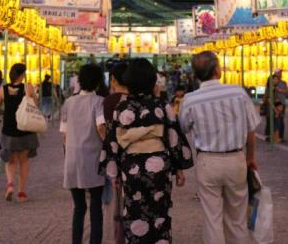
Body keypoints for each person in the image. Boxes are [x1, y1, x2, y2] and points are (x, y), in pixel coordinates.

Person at [100, 58, 193, 243]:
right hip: (159, 166)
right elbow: (173, 137)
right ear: (152, 82)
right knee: (159, 213)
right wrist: (179, 168)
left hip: (131, 167)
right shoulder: (161, 106)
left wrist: (114, 173)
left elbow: (113, 142)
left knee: (134, 211)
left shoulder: (121, 108)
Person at [179, 51, 260, 244]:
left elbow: (183, 127)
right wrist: (250, 157)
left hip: (207, 161)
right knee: (237, 216)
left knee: (212, 218)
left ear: (196, 75)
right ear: (217, 69)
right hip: (235, 159)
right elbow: (251, 129)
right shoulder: (238, 92)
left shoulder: (190, 99)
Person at [60, 64, 106, 244]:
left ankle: (76, 241)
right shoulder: (98, 101)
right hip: (93, 158)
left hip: (72, 158)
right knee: (96, 205)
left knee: (78, 207)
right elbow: (101, 127)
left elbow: (64, 134)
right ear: (98, 82)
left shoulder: (68, 102)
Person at [0, 63, 39, 203]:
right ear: (22, 75)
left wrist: (5, 113)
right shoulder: (28, 88)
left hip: (9, 128)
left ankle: (10, 185)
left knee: (10, 160)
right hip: (24, 128)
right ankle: (22, 192)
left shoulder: (3, 89)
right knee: (23, 160)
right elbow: (35, 106)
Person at [102, 62, 129, 244]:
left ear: (113, 79)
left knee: (114, 205)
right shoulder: (136, 99)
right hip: (135, 157)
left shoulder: (109, 101)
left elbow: (107, 129)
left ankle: (116, 237)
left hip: (114, 155)